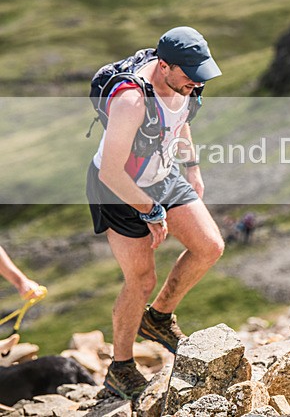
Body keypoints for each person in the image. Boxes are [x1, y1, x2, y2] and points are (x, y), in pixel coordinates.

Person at [86, 26, 225, 401]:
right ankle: (120, 367)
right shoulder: (132, 100)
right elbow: (110, 171)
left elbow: (181, 124)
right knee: (141, 279)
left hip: (163, 174)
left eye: (201, 78)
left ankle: (158, 318)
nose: (197, 86)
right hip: (119, 190)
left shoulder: (187, 84)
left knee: (210, 246)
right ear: (163, 66)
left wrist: (192, 168)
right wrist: (150, 212)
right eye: (191, 78)